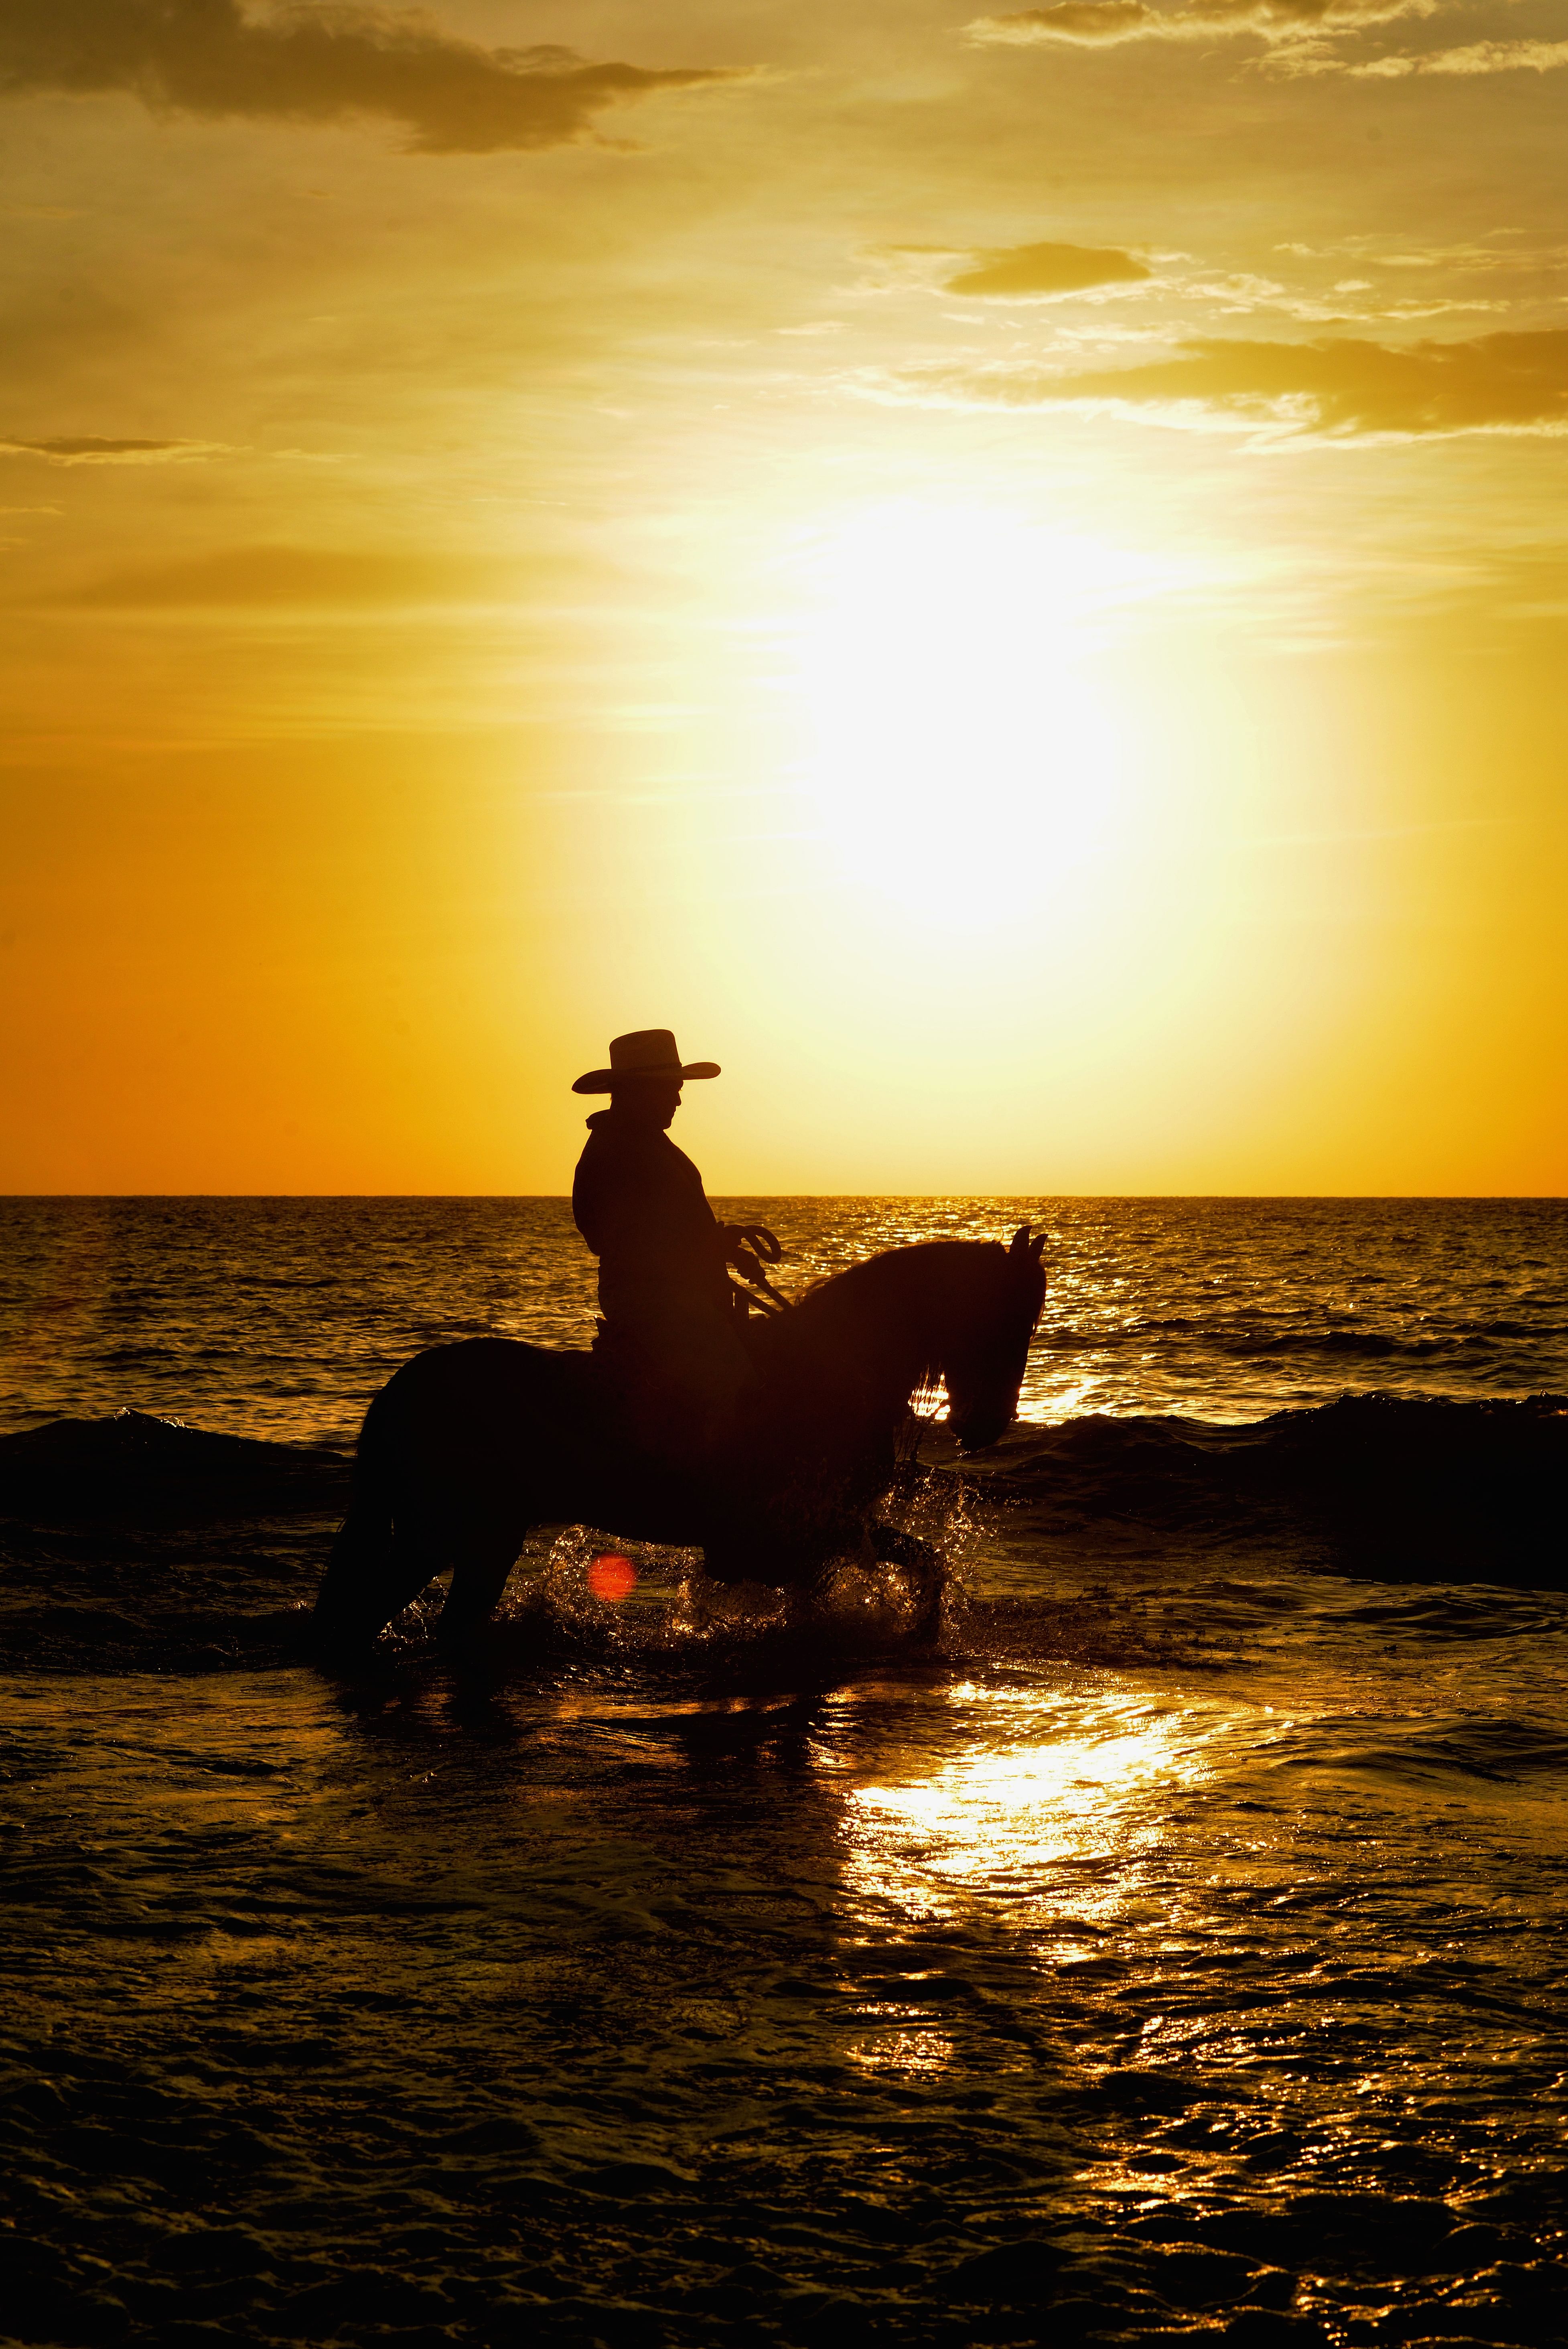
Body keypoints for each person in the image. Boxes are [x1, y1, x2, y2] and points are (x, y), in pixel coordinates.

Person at [570, 1029, 782, 1467]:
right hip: (651, 1300)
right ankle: (722, 1486)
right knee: (734, 1380)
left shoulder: (642, 1143)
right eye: (672, 1089)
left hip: (681, 1296)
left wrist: (715, 1245)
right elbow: (625, 1238)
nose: (679, 1101)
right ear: (638, 1090)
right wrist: (712, 1245)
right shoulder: (619, 1151)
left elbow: (668, 1228)